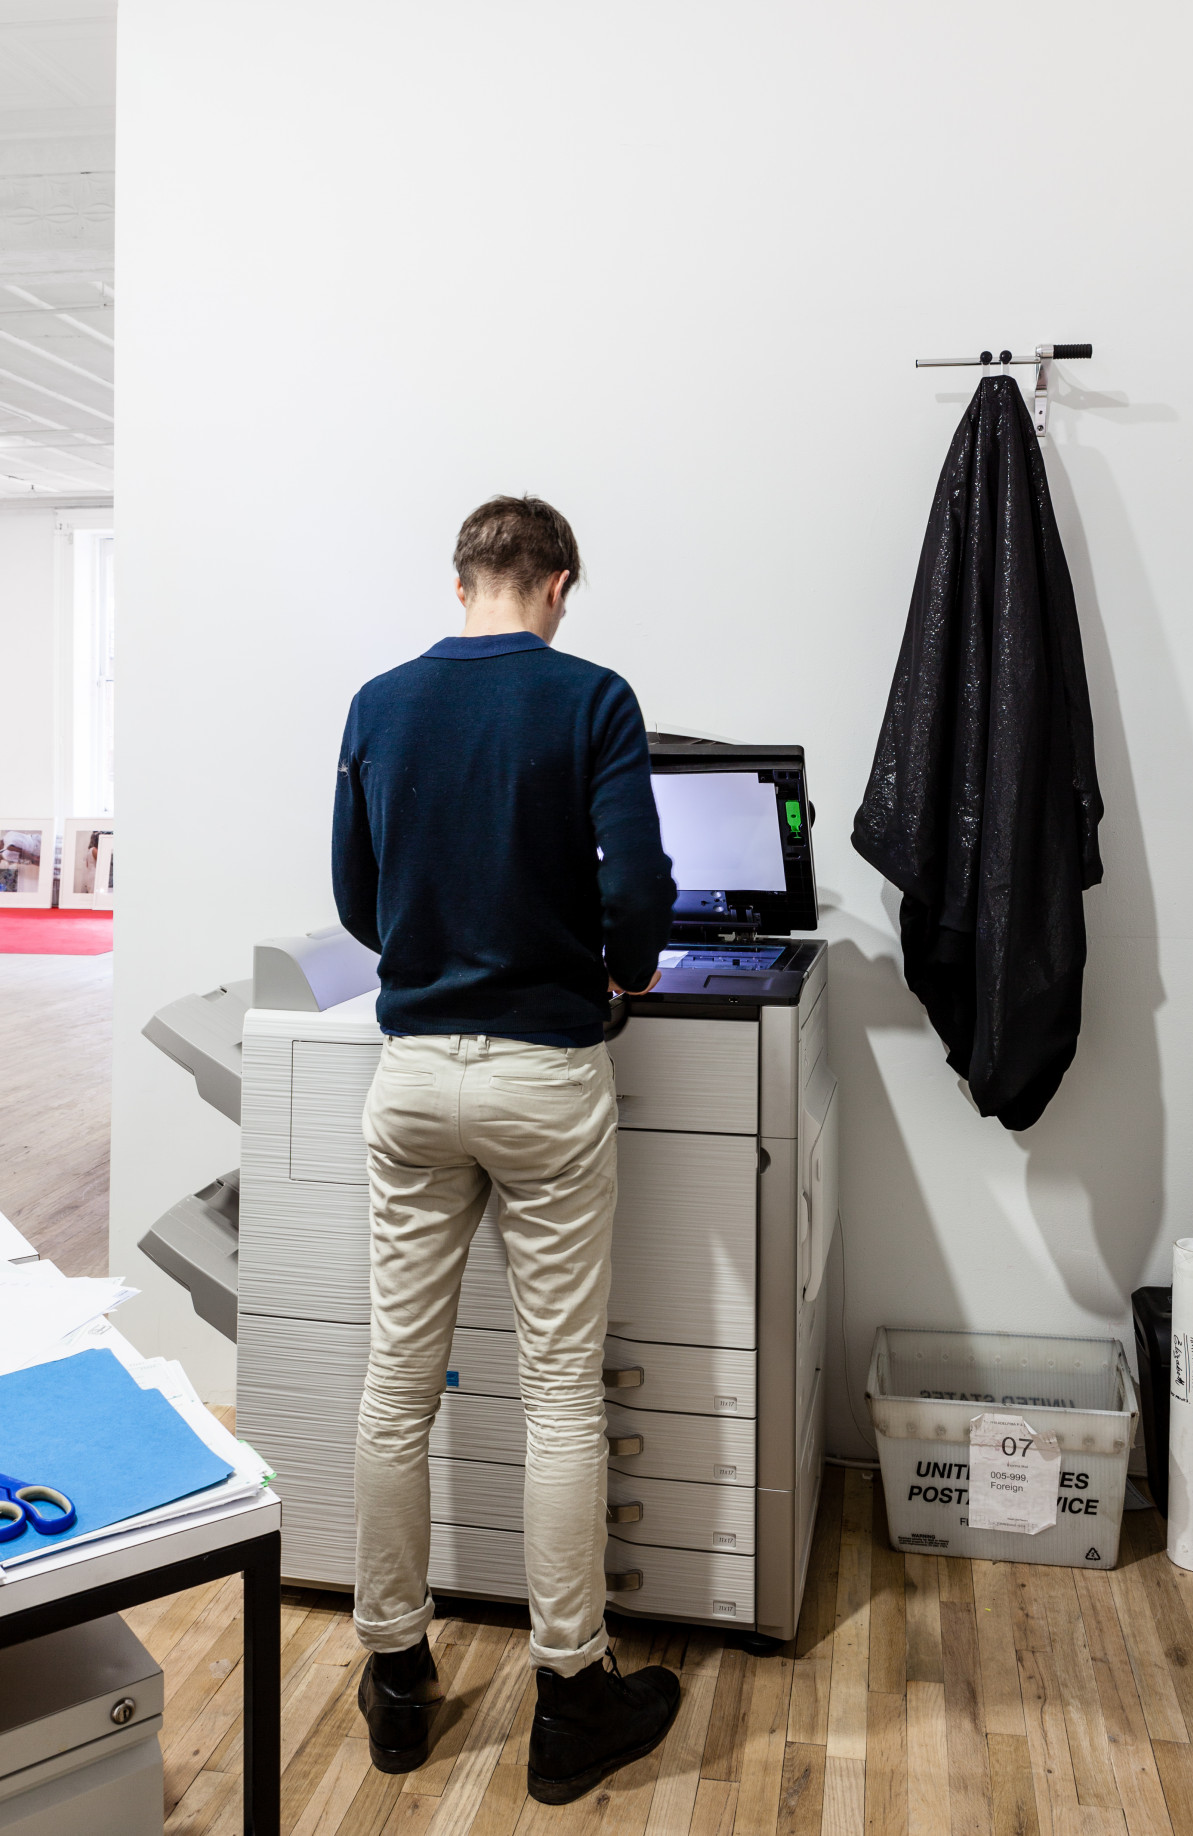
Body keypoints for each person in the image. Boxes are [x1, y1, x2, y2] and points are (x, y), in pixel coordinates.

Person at [331, 495, 681, 1802]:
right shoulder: (593, 698)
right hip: (546, 1077)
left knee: (396, 1386)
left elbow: (356, 896)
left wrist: (438, 952)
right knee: (560, 1394)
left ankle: (395, 1676)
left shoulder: (379, 703)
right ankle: (571, 1693)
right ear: (558, 584)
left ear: (463, 580)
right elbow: (636, 888)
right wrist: (622, 971)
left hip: (415, 1077)